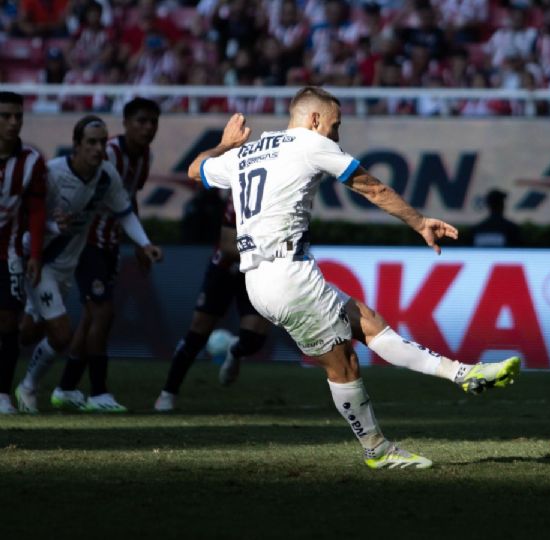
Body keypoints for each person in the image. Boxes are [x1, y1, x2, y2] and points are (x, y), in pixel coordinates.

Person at [187, 87, 520, 469]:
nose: (336, 134)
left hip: (262, 277)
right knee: (343, 364)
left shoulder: (245, 153)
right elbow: (371, 187)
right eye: (335, 124)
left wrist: (222, 145)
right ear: (314, 120)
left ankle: (464, 373)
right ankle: (376, 450)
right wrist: (420, 222)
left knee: (369, 324)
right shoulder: (310, 143)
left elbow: (195, 170)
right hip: (287, 276)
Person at [14, 116, 163, 414]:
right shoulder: (52, 174)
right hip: (39, 262)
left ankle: (40, 383)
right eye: (91, 142)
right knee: (61, 335)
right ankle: (27, 387)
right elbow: (23, 223)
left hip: (67, 267)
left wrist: (145, 243)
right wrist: (54, 229)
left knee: (27, 333)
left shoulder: (106, 175)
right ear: (77, 145)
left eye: (102, 142)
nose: (98, 148)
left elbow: (124, 212)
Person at [63, 98, 160, 411]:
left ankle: (64, 387)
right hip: (87, 242)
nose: (147, 128)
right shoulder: (109, 154)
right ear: (126, 124)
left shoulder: (144, 157)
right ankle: (98, 392)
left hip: (111, 245)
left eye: (152, 122)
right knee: (102, 314)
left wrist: (140, 244)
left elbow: (128, 203)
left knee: (93, 318)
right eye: (141, 121)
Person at [153, 194, 272, 412]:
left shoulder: (289, 194)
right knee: (198, 331)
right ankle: (168, 392)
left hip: (257, 273)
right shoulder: (242, 193)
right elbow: (228, 245)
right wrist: (270, 253)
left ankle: (235, 350)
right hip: (226, 270)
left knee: (254, 339)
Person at [0, 92, 47, 414]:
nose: (14, 122)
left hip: (10, 253)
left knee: (8, 324)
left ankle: (2, 394)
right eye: (6, 116)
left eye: (18, 116)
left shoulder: (31, 160)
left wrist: (35, 254)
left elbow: (36, 210)